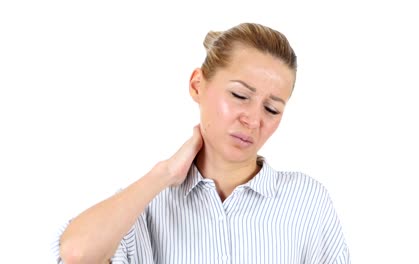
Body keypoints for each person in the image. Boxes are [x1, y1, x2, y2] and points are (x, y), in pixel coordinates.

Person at [53, 22, 350, 264]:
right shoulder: (147, 206)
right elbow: (77, 254)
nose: (253, 120)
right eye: (239, 95)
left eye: (271, 109)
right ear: (197, 85)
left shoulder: (307, 201)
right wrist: (164, 174)